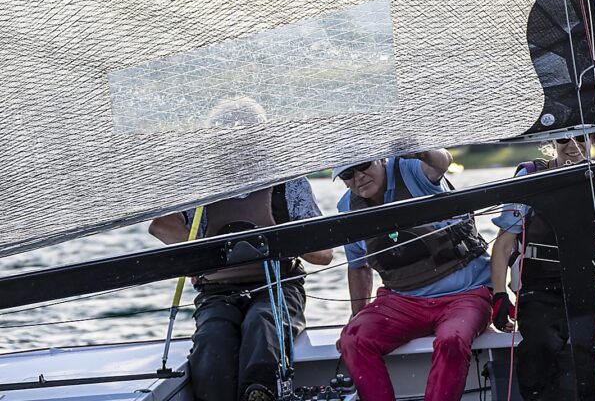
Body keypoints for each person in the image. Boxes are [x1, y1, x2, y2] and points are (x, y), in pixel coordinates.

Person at [149, 97, 333, 401]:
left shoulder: (289, 182)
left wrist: (281, 239)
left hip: (277, 288)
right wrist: (203, 253)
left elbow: (325, 255)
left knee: (262, 325)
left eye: (246, 138)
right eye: (229, 139)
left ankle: (259, 394)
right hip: (218, 293)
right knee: (212, 340)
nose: (238, 147)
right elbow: (160, 225)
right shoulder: (200, 185)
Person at [335, 149, 492, 401]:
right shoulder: (347, 208)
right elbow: (358, 267)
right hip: (403, 301)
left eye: (364, 165)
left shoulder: (411, 170)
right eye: (347, 173)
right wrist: (357, 315)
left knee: (452, 339)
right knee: (353, 339)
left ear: (382, 158)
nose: (358, 176)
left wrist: (420, 149)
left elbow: (442, 162)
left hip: (465, 295)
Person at [489, 132, 595, 401]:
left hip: (592, 283)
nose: (572, 146)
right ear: (552, 144)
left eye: (581, 138)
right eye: (563, 140)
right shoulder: (530, 177)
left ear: (593, 140)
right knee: (539, 345)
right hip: (542, 286)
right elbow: (503, 244)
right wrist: (499, 296)